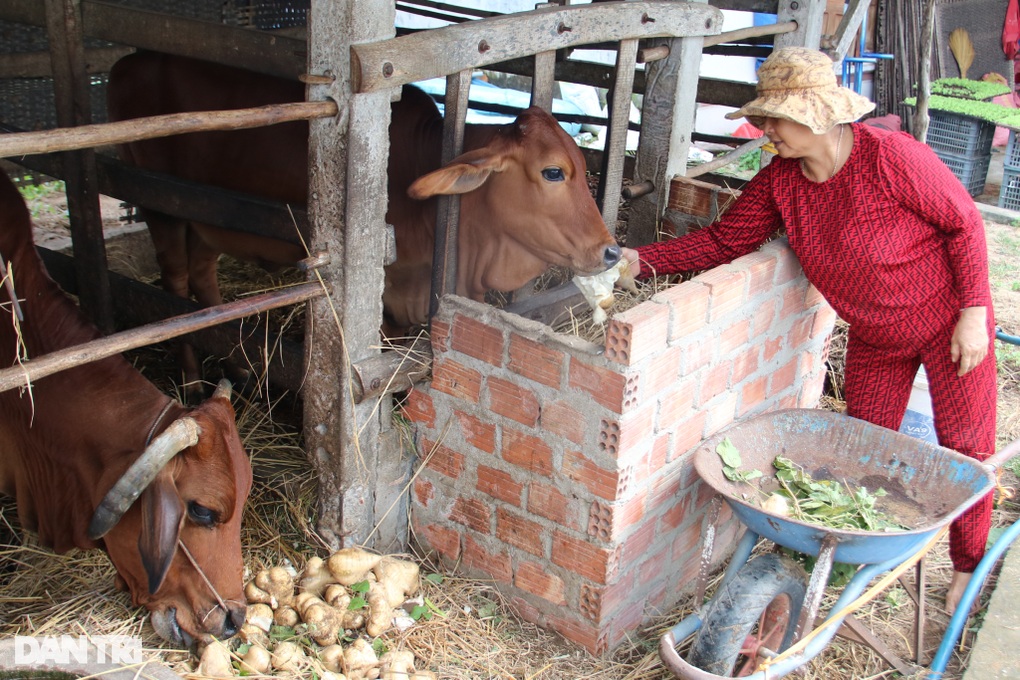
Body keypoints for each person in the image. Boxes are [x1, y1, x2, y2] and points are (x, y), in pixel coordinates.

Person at [621, 47, 997, 616]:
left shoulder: (892, 158)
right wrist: (640, 261)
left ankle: (969, 566)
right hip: (875, 336)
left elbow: (963, 223)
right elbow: (725, 242)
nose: (764, 129)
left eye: (775, 118)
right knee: (861, 448)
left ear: (819, 115)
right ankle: (858, 549)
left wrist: (974, 312)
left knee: (967, 449)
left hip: (948, 324)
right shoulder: (782, 180)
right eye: (764, 117)